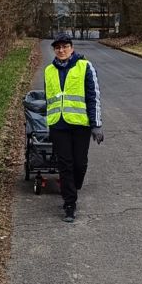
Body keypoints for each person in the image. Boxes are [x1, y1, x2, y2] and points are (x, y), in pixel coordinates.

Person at [44, 32, 104, 222]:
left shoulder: (85, 67)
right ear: (54, 49)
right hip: (58, 125)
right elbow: (49, 98)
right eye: (58, 47)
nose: (61, 50)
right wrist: (48, 121)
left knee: (79, 163)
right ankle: (69, 204)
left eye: (65, 47)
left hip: (80, 125)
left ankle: (74, 185)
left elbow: (93, 96)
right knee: (65, 164)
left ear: (71, 48)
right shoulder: (48, 70)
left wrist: (96, 125)